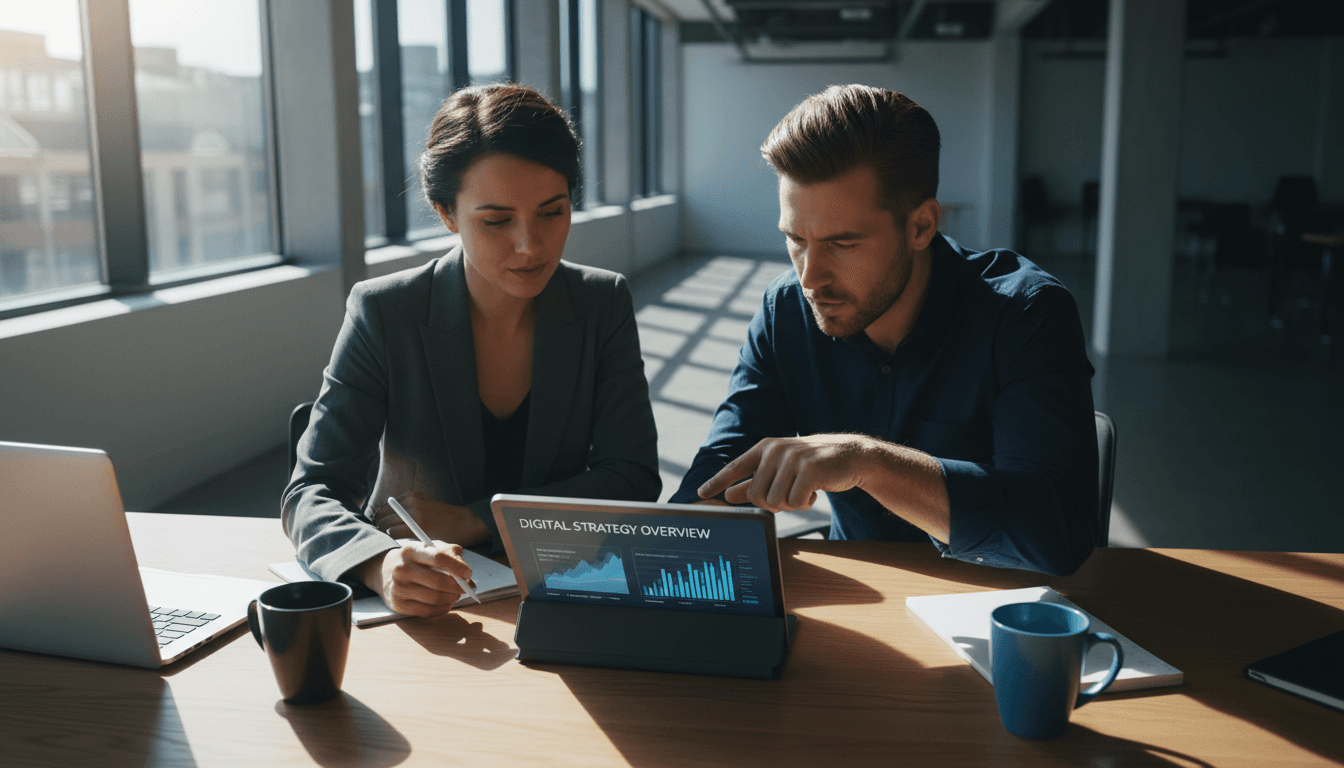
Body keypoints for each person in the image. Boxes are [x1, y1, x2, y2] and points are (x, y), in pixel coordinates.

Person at [669, 84, 1097, 576]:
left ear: (921, 226)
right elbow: (722, 470)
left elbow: (1057, 533)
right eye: (796, 240)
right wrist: (685, 529)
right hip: (861, 591)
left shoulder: (1026, 313)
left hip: (997, 597)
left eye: (842, 244)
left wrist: (867, 462)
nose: (810, 278)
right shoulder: (786, 310)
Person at [283, 84, 660, 615]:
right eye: (497, 221)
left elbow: (633, 478)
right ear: (446, 213)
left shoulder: (602, 302)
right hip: (427, 607)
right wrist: (378, 564)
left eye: (552, 212)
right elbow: (312, 490)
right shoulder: (386, 311)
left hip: (562, 591)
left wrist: (478, 519)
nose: (530, 245)